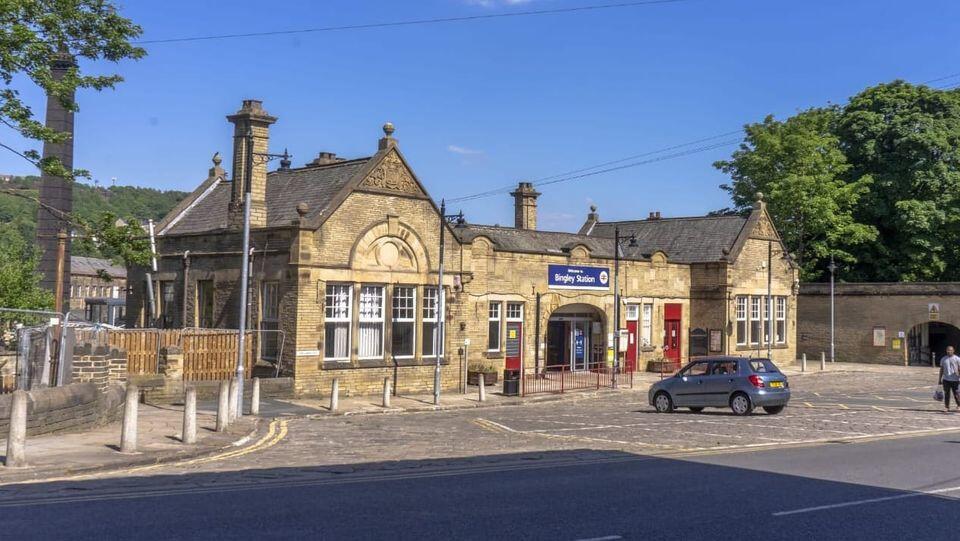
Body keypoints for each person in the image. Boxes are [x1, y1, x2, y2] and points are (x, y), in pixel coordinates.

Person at [938, 346, 960, 412]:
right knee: (946, 394)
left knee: (956, 394)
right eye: (948, 350)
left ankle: (959, 405)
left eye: (950, 350)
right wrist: (939, 379)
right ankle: (946, 407)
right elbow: (941, 369)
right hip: (946, 379)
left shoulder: (957, 359)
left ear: (953, 351)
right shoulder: (943, 359)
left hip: (955, 379)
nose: (949, 351)